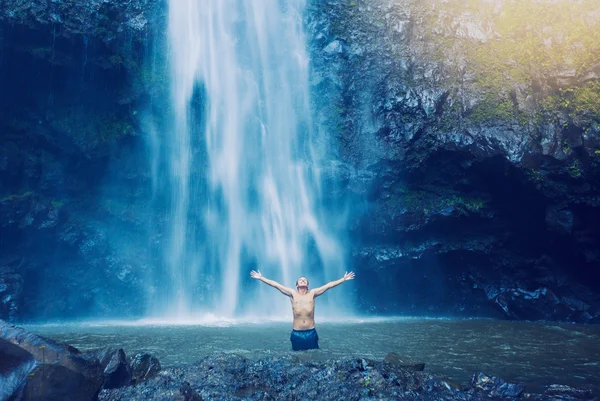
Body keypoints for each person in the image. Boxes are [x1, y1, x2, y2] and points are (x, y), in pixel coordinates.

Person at [250, 270, 355, 351]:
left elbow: (328, 286)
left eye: (305, 280)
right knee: (297, 358)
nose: (303, 280)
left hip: (311, 332)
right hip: (297, 333)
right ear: (297, 285)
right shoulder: (292, 293)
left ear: (308, 285)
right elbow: (276, 285)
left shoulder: (313, 293)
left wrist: (343, 279)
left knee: (314, 356)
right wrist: (261, 278)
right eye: (300, 280)